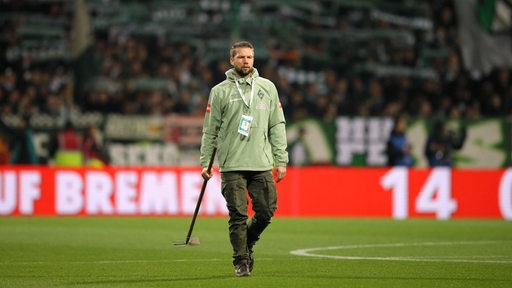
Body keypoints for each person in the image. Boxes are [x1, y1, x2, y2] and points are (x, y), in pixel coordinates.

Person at [200, 41, 288, 277]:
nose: (246, 61)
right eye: (241, 57)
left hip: (260, 162)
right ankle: (240, 260)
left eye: (249, 57)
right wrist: (205, 163)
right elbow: (210, 131)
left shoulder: (267, 87)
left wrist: (281, 159)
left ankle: (246, 244)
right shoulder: (219, 91)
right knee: (238, 214)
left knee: (267, 211)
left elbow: (277, 125)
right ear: (232, 60)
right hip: (232, 165)